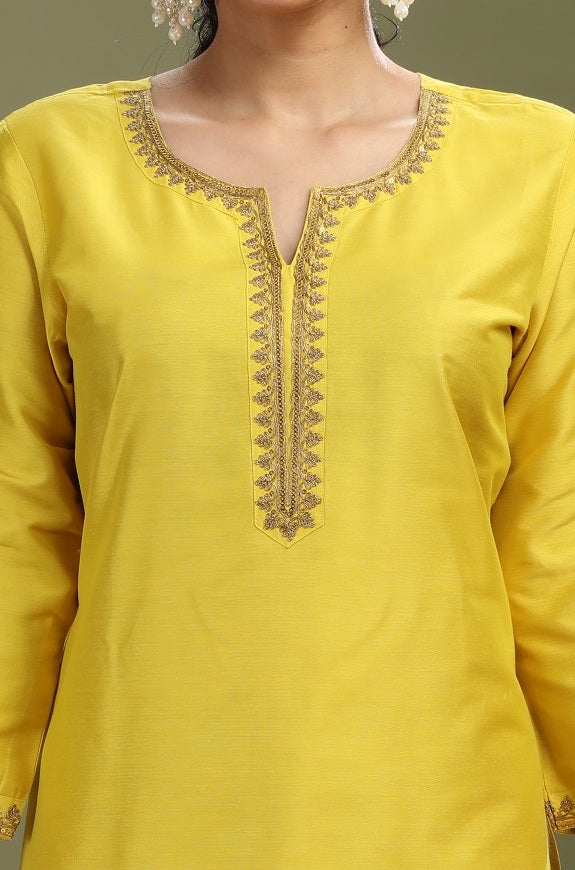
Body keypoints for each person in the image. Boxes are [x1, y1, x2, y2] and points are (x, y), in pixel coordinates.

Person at [0, 0, 573, 866]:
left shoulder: (539, 166)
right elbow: (16, 525)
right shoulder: (49, 163)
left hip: (443, 813)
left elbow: (557, 532)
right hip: (133, 806)